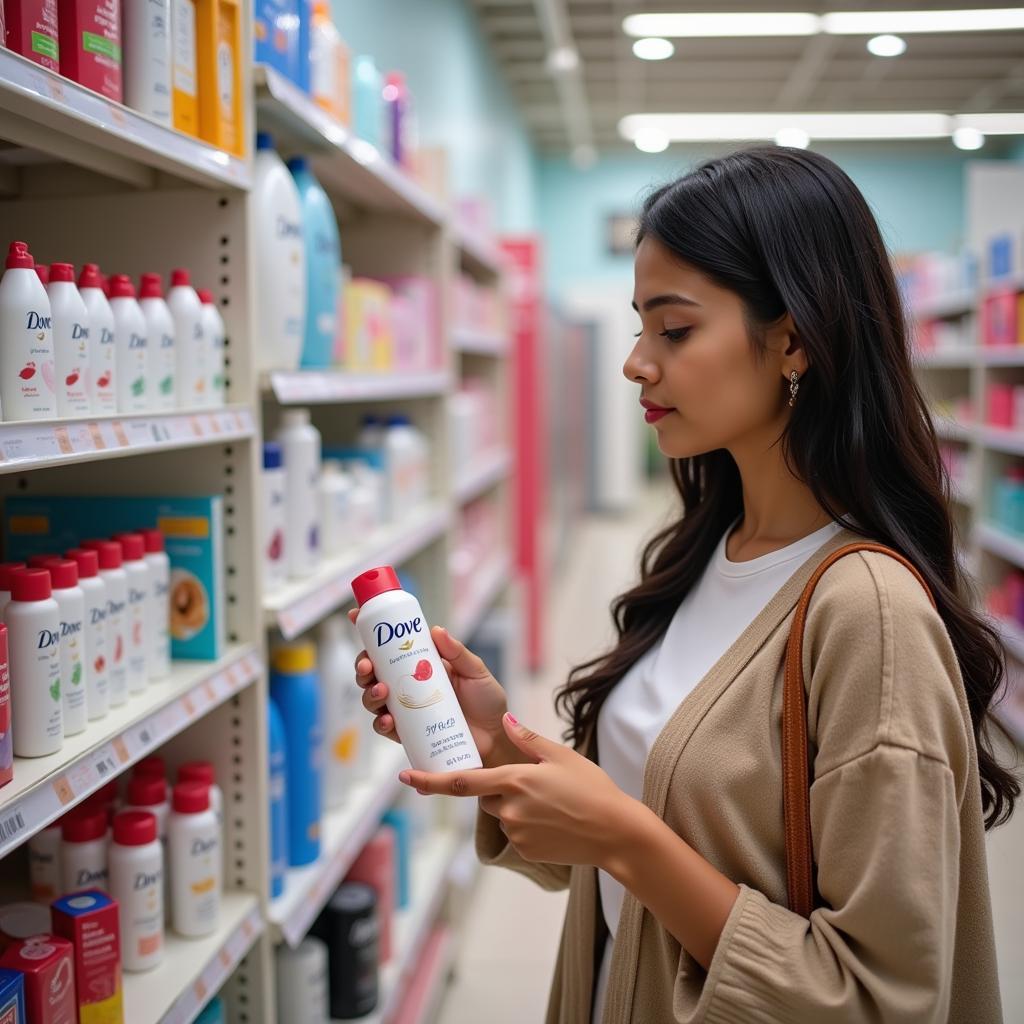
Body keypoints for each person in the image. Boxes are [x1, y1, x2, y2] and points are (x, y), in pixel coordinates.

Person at [353, 147, 1017, 1022]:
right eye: (639, 327)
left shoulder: (869, 615)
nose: (635, 363)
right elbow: (623, 834)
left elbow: (882, 999)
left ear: (794, 340)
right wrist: (494, 745)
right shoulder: (712, 552)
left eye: (674, 329)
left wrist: (628, 843)